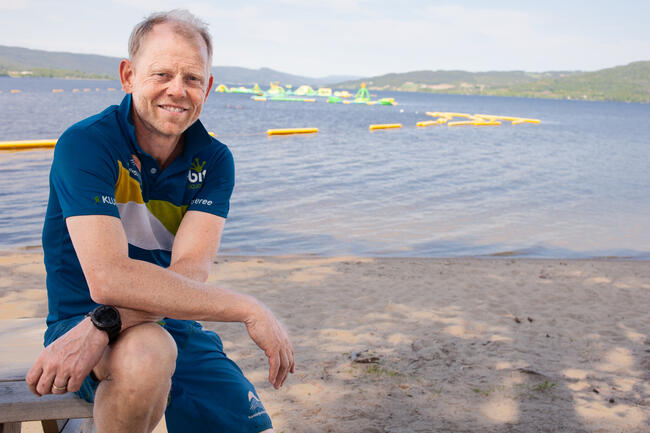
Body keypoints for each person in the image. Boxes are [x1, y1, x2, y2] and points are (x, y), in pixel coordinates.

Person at [26, 9, 294, 433]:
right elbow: (108, 279)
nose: (177, 90)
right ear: (128, 76)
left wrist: (105, 324)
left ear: (207, 87)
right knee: (148, 352)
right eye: (162, 74)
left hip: (162, 322)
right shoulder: (87, 144)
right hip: (77, 323)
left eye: (191, 78)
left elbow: (190, 271)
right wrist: (247, 307)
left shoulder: (215, 159)